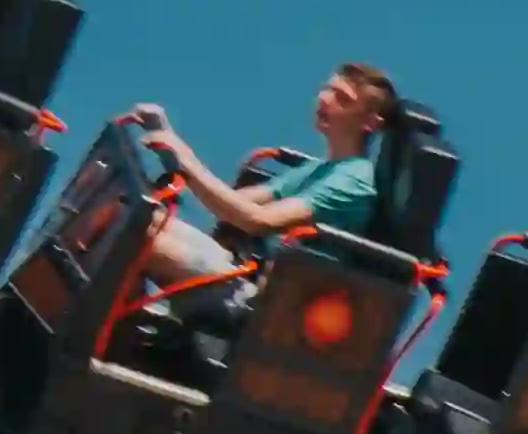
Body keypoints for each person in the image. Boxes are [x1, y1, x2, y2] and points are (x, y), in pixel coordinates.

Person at [129, 61, 430, 302]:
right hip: (244, 270)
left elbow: (257, 220)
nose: (324, 100)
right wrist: (173, 143)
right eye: (327, 89)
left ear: (369, 123)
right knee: (140, 218)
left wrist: (186, 160)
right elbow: (235, 205)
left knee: (137, 239)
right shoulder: (321, 169)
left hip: (267, 303)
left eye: (342, 99)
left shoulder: (354, 181)